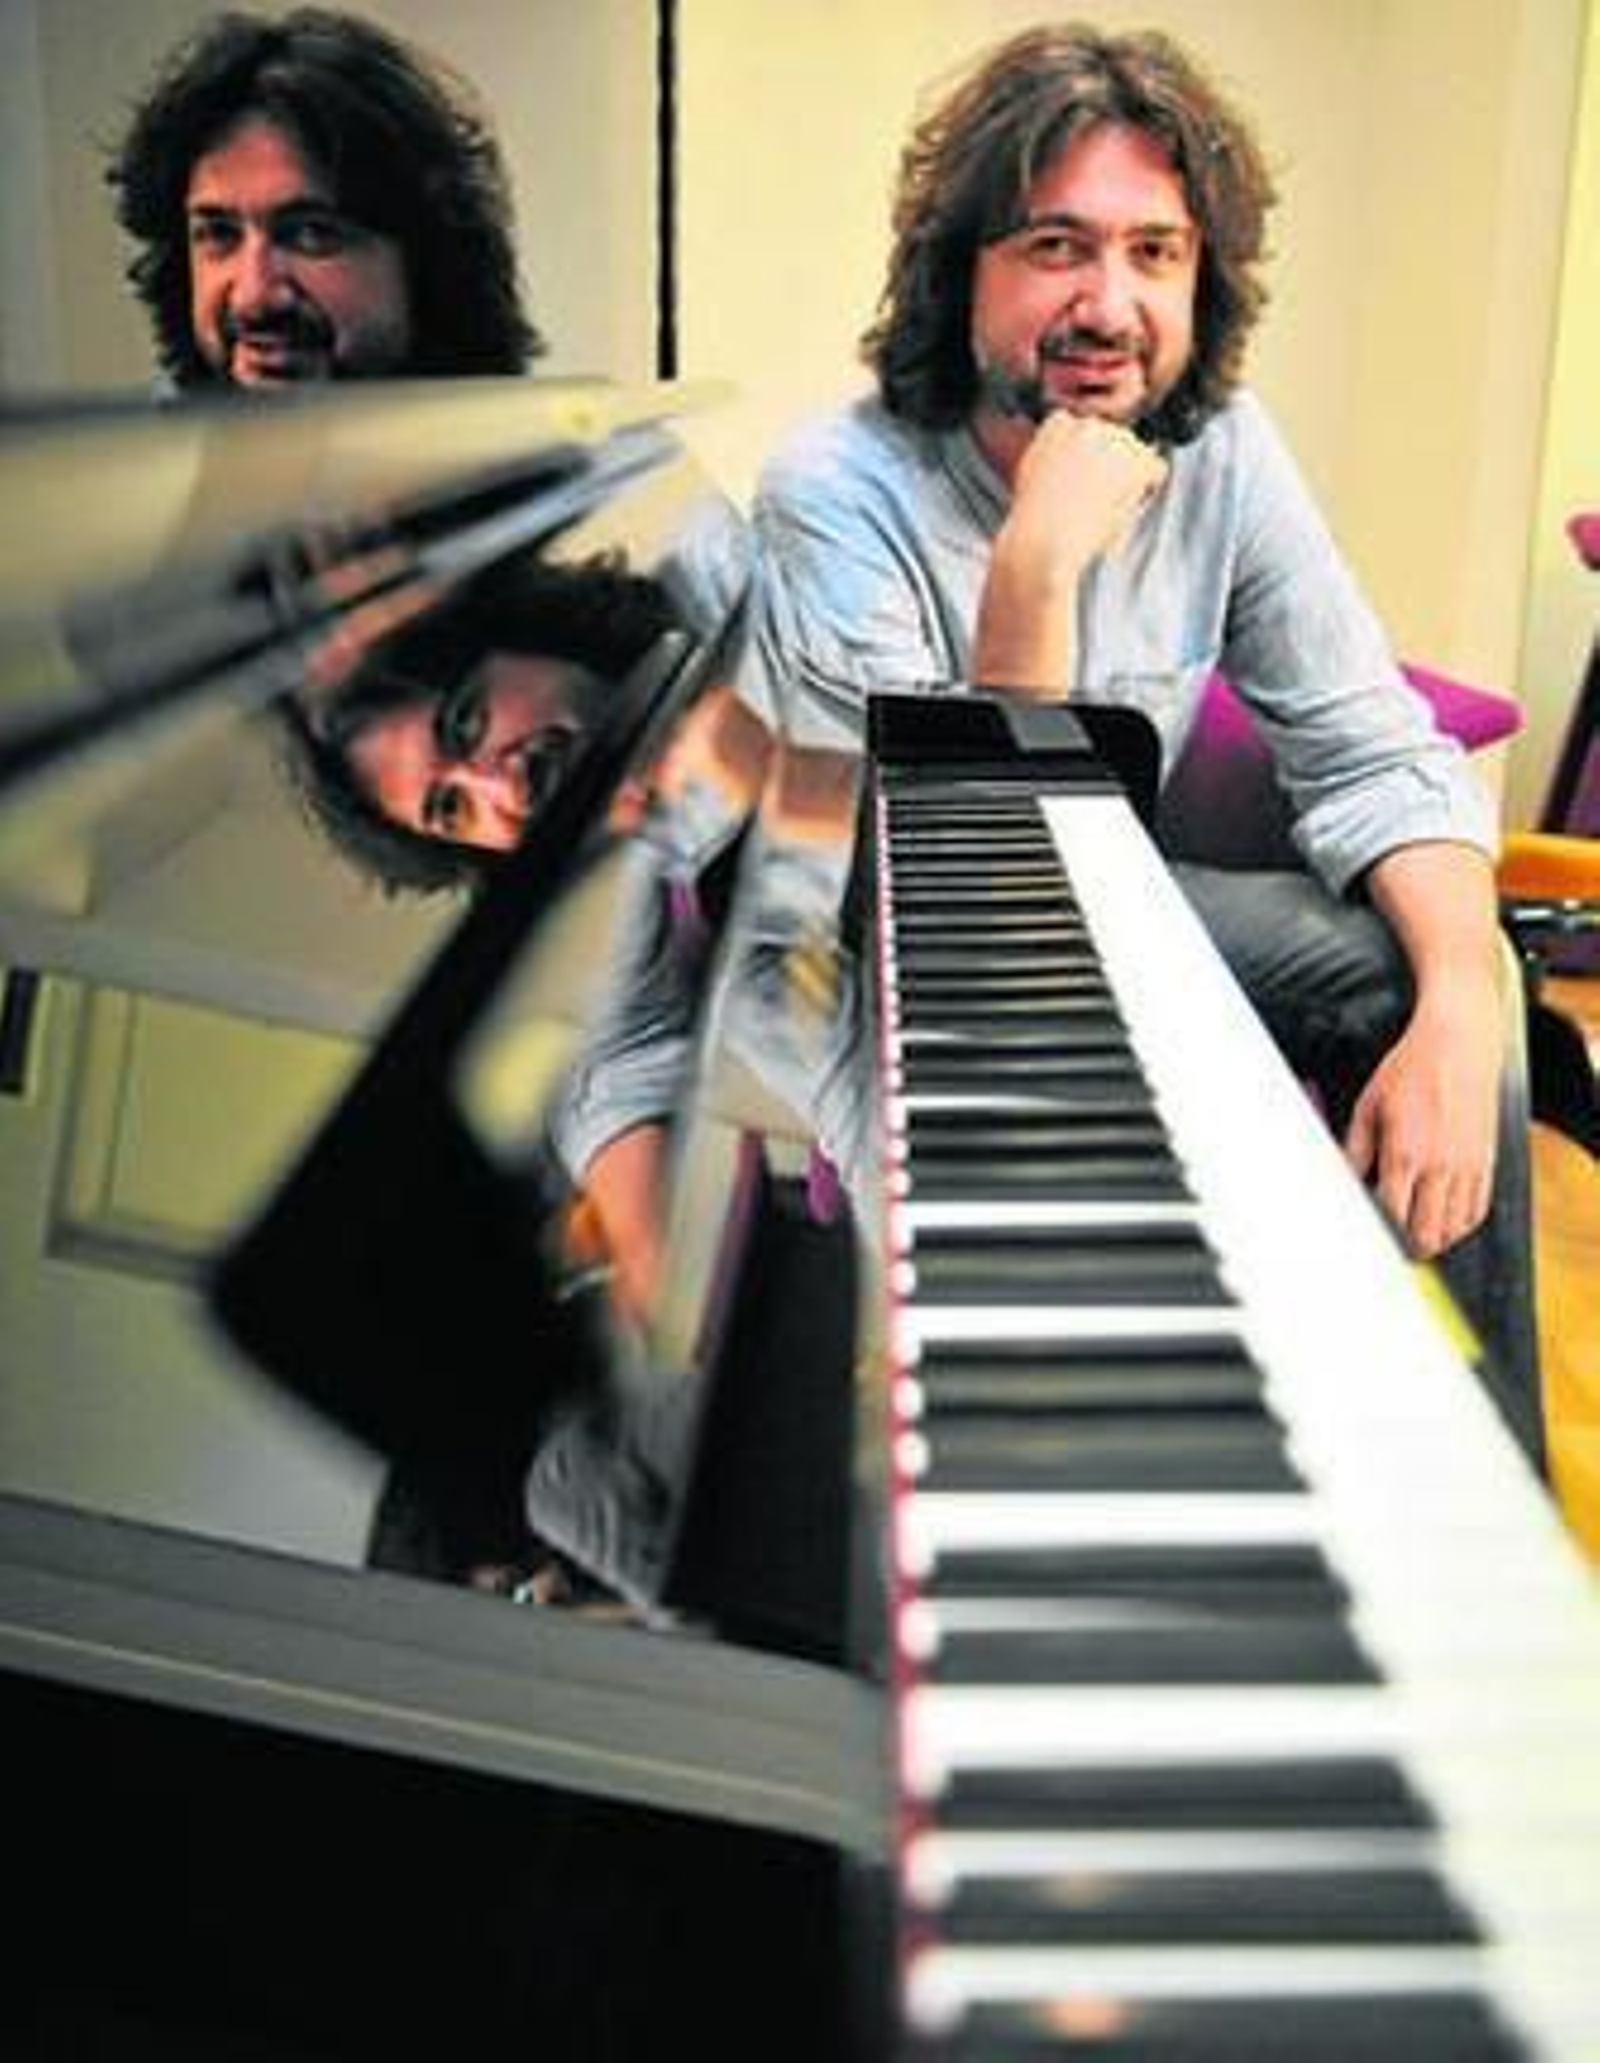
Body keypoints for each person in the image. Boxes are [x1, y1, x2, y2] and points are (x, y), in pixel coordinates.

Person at [736, 24, 1539, 1440]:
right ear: (961, 271)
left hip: (1114, 905)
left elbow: (1371, 745)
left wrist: (1466, 1011)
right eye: (1056, 246)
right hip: (899, 955)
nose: (1109, 303)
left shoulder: (1223, 449)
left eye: (1155, 253)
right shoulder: (832, 492)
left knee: (1440, 989)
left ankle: (1457, 1471)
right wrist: (1036, 569)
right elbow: (962, 915)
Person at [105, 5, 541, 389]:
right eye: (219, 234)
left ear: (426, 264)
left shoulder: (545, 472)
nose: (253, 297)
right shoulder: (137, 473)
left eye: (311, 234)